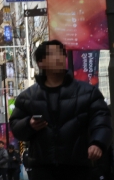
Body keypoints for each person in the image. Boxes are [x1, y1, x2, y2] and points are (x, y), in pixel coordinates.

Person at [9, 40, 112, 180]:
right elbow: (16, 127)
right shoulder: (27, 97)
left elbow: (102, 120)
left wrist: (97, 143)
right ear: (41, 62)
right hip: (42, 170)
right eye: (52, 54)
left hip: (79, 168)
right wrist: (29, 124)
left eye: (60, 54)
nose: (58, 58)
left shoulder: (88, 93)